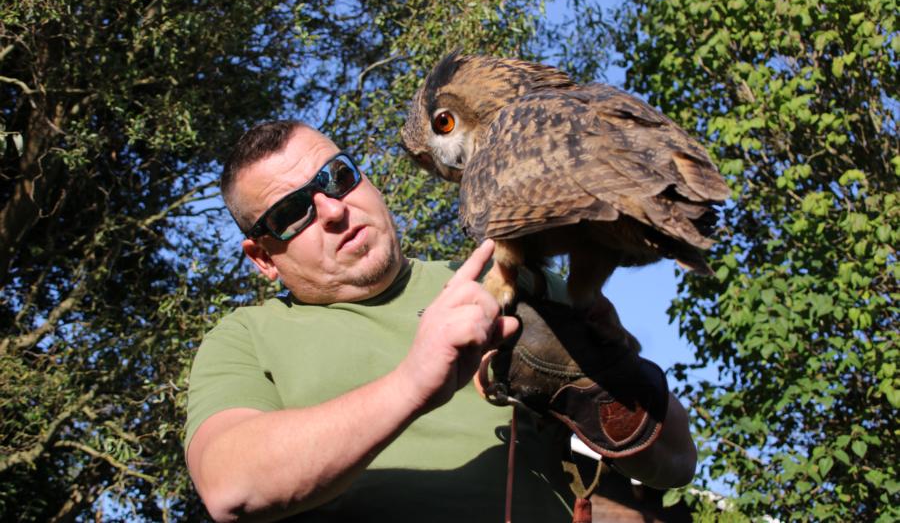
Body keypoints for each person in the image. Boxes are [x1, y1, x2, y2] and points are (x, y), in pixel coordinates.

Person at [184, 120, 697, 522]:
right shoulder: (245, 338)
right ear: (263, 258)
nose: (333, 210)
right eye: (292, 212)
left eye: (337, 178)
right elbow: (231, 488)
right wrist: (413, 384)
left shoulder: (508, 282)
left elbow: (677, 459)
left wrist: (600, 385)